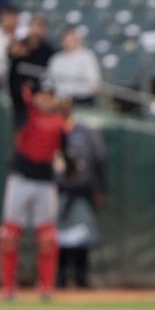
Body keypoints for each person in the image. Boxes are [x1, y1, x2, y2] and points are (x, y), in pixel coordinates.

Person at [0, 79, 72, 300]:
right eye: (42, 95)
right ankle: (9, 287)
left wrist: (70, 165)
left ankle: (46, 287)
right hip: (20, 179)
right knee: (9, 235)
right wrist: (16, 60)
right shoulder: (25, 112)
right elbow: (13, 87)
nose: (46, 100)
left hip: (45, 182)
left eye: (50, 96)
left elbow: (66, 155)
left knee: (47, 237)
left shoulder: (60, 123)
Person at [55, 99, 107, 289]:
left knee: (82, 238)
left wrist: (100, 189)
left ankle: (81, 278)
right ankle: (59, 278)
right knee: (58, 237)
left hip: (81, 192)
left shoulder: (85, 132)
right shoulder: (52, 129)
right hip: (59, 192)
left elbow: (99, 160)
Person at [46, 26, 101, 105]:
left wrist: (71, 96)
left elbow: (93, 84)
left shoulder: (87, 56)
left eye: (72, 39)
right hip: (59, 102)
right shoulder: (56, 59)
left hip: (81, 101)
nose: (69, 42)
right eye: (67, 39)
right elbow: (49, 80)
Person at [7, 14, 55, 99]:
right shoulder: (20, 45)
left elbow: (47, 76)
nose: (36, 30)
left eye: (40, 26)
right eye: (33, 25)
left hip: (38, 94)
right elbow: (11, 63)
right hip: (16, 91)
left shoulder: (49, 51)